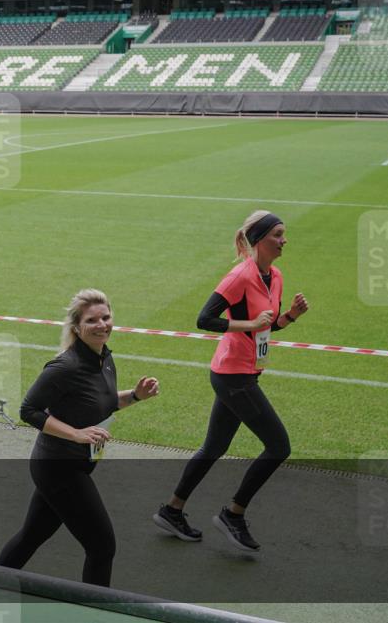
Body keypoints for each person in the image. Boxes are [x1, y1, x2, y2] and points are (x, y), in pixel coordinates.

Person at [153, 210, 309, 552]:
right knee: (279, 446)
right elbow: (204, 319)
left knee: (214, 447)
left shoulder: (275, 276)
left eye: (284, 234)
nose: (284, 240)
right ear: (259, 240)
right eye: (278, 234)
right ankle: (233, 514)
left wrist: (289, 317)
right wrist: (249, 325)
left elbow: (267, 325)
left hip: (245, 372)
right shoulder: (239, 276)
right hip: (233, 375)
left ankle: (172, 510)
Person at [0, 289, 160, 587]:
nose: (102, 325)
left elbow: (101, 403)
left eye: (106, 317)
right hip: (59, 468)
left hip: (72, 465)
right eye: (92, 320)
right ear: (76, 327)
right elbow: (28, 410)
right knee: (102, 547)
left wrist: (135, 396)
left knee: (31, 536)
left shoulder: (103, 357)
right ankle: (93, 608)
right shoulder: (66, 367)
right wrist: (76, 434)